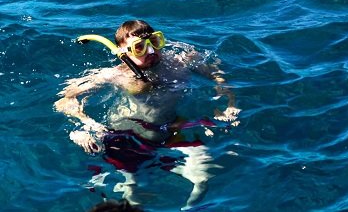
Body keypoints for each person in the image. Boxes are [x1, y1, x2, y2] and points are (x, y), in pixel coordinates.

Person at [55, 20, 238, 209]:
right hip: (125, 137)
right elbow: (64, 101)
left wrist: (229, 101)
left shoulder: (181, 60)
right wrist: (87, 123)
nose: (150, 51)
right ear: (123, 53)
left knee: (203, 175)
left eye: (154, 42)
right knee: (133, 195)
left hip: (170, 129)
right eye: (139, 48)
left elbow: (216, 73)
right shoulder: (114, 75)